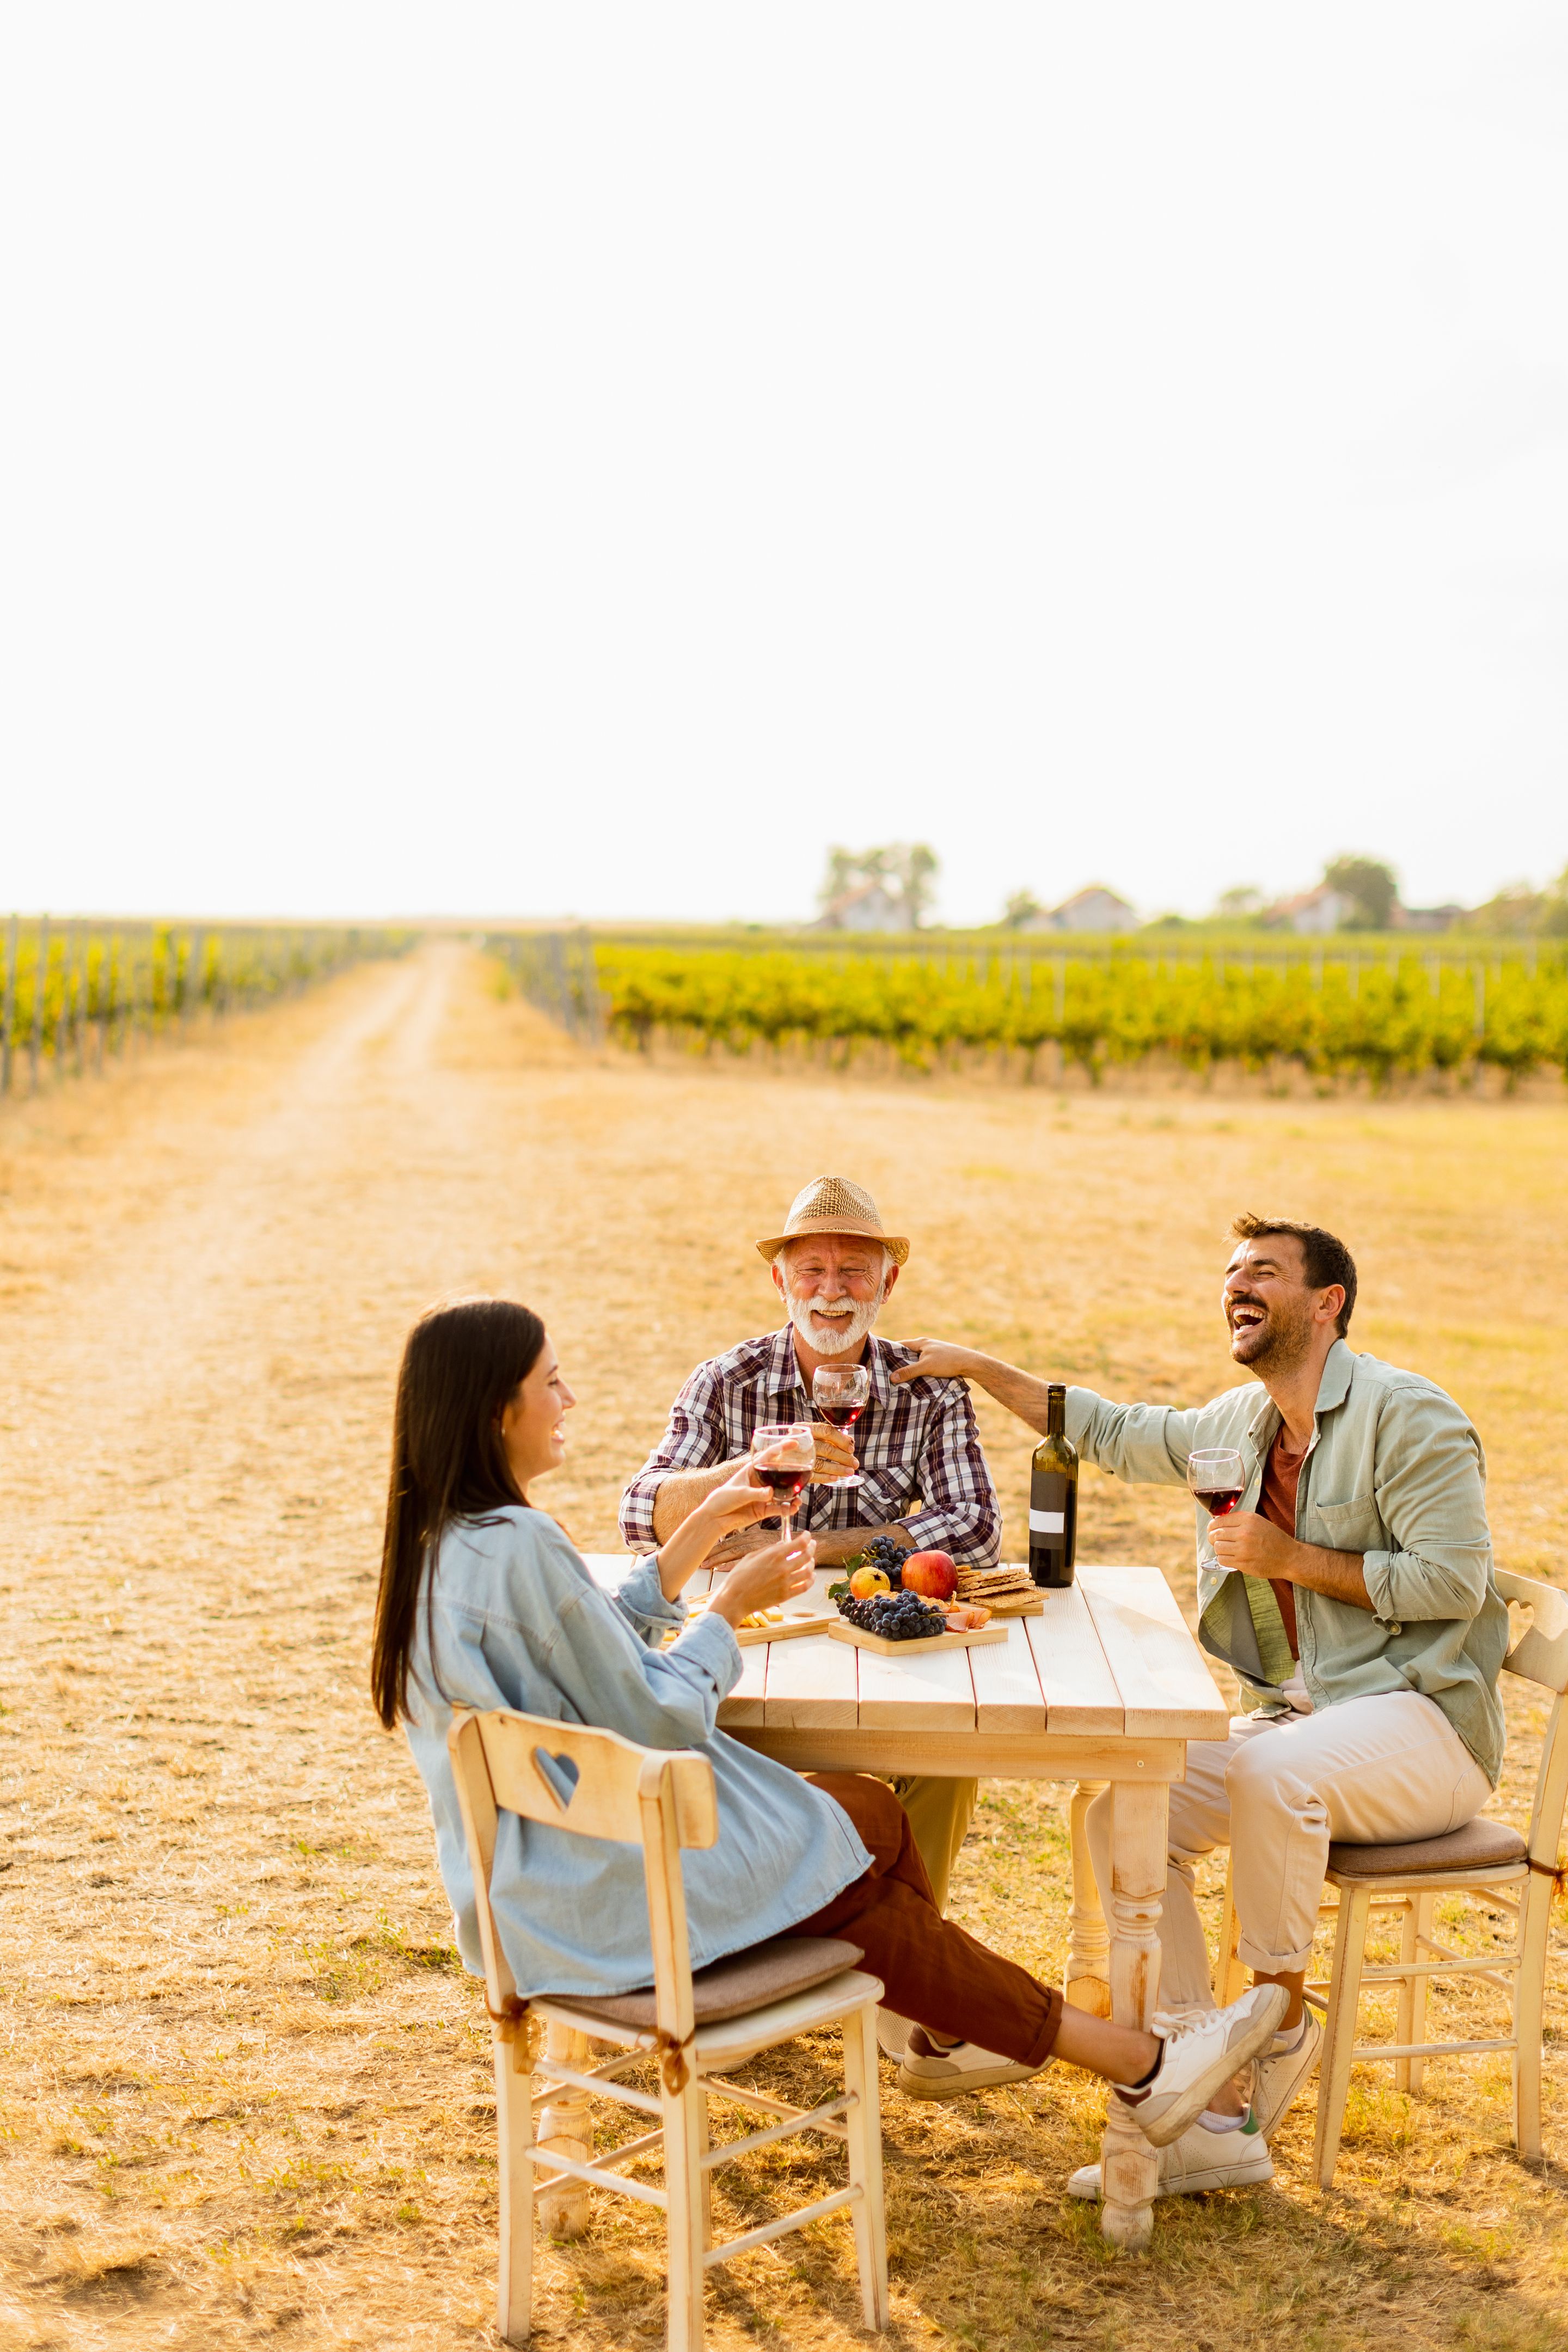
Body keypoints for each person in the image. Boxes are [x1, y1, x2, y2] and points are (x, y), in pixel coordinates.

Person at [370, 1296, 1287, 2151]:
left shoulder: (442, 1547)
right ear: (499, 1412)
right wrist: (726, 1609)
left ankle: (967, 2031)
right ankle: (1136, 2064)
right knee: (868, 1889)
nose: (569, 1398)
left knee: (865, 1814)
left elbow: (592, 1654)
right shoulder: (524, 1544)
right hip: (622, 1904)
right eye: (551, 1382)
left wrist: (700, 1531)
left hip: (538, 1900)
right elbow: (659, 1717)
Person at [893, 1212, 1508, 2199]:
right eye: (1231, 1273)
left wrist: (1292, 1558)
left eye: (1263, 1271)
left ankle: (1278, 2020)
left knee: (1269, 1770)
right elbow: (1104, 1429)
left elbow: (1453, 1583)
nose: (1237, 1286)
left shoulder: (1410, 1417)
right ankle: (1205, 2093)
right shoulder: (1235, 1426)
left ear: (1328, 1302)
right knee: (1125, 1815)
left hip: (1424, 1721)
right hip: (1304, 1726)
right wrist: (976, 1365)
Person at [618, 1174, 1000, 1920]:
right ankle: (766, 1930)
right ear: (780, 1282)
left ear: (888, 1283)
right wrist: (747, 1471)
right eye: (812, 1270)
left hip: (881, 1645)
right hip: (753, 1643)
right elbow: (639, 1515)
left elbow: (977, 1527)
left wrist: (812, 1547)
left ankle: (909, 1940)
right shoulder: (727, 1381)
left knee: (947, 1759)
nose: (832, 1291)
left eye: (854, 1270)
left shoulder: (931, 1390)